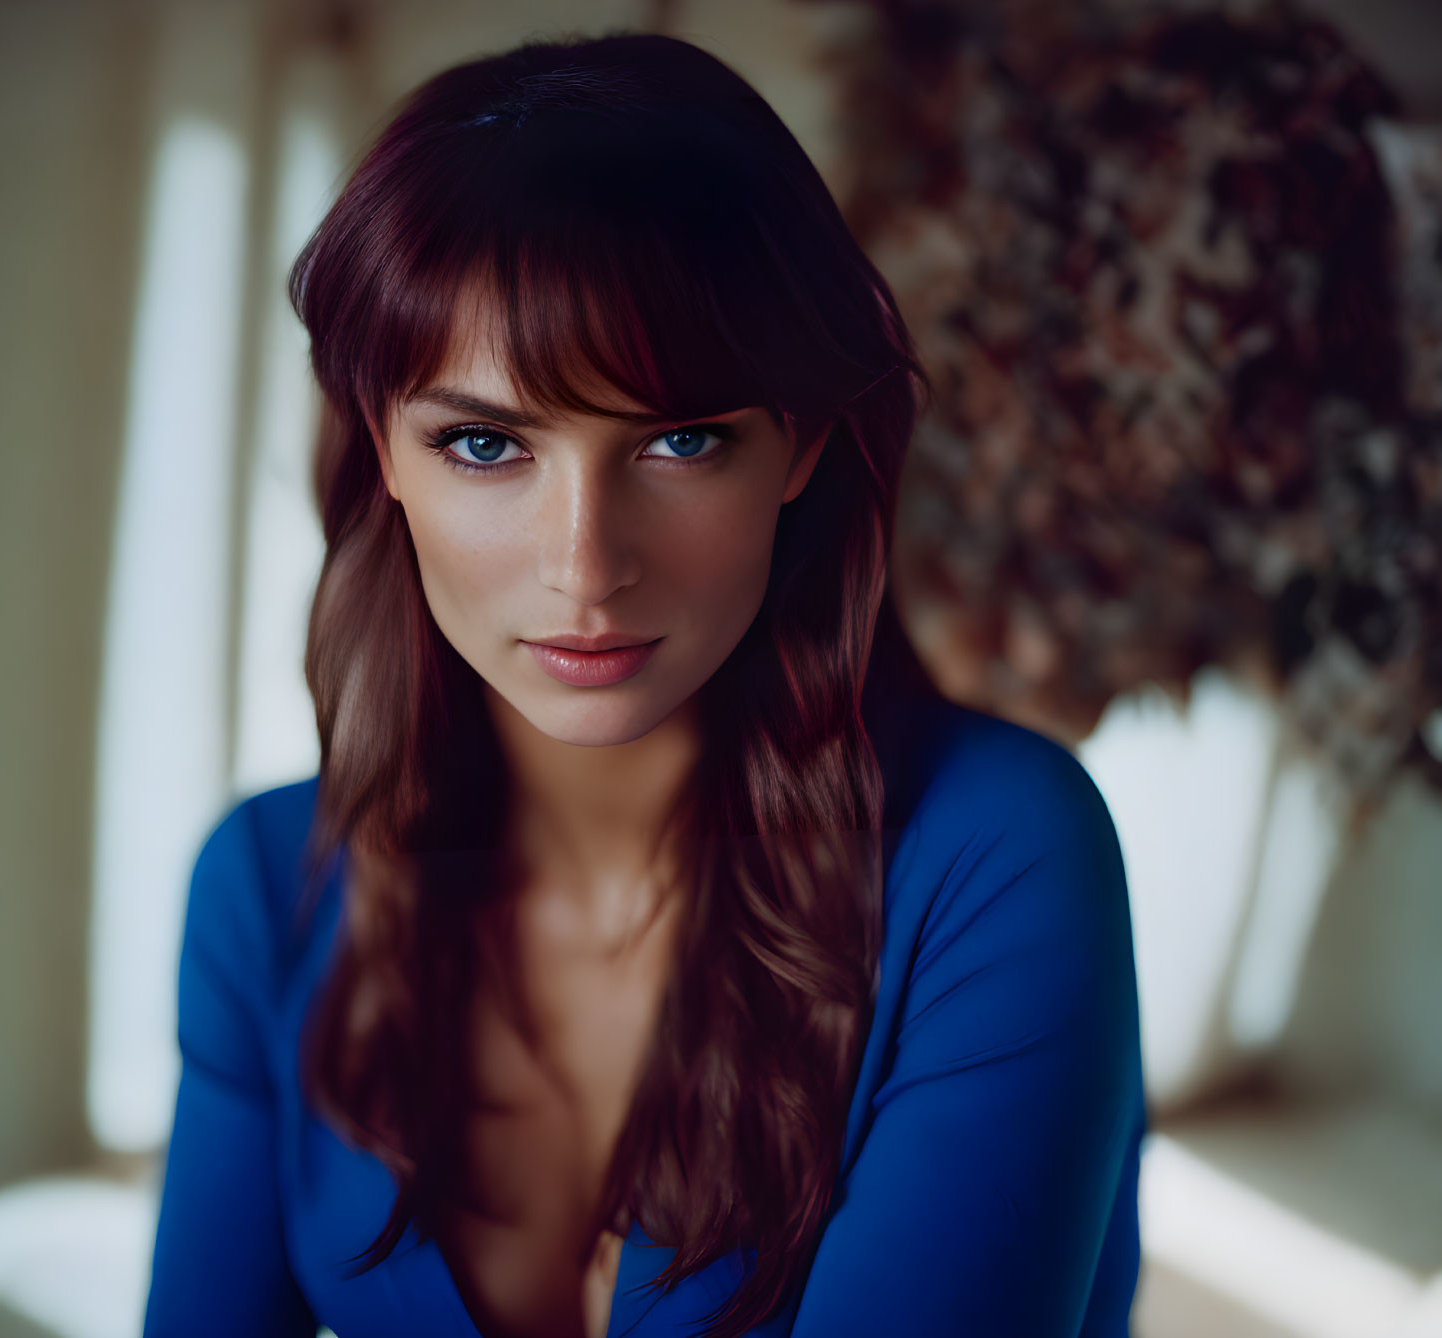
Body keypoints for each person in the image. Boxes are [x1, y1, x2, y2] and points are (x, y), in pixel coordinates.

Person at [142, 31, 1145, 1338]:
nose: (585, 567)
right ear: (382, 450)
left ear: (798, 446)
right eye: (486, 442)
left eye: (680, 438)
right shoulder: (268, 885)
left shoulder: (995, 855)